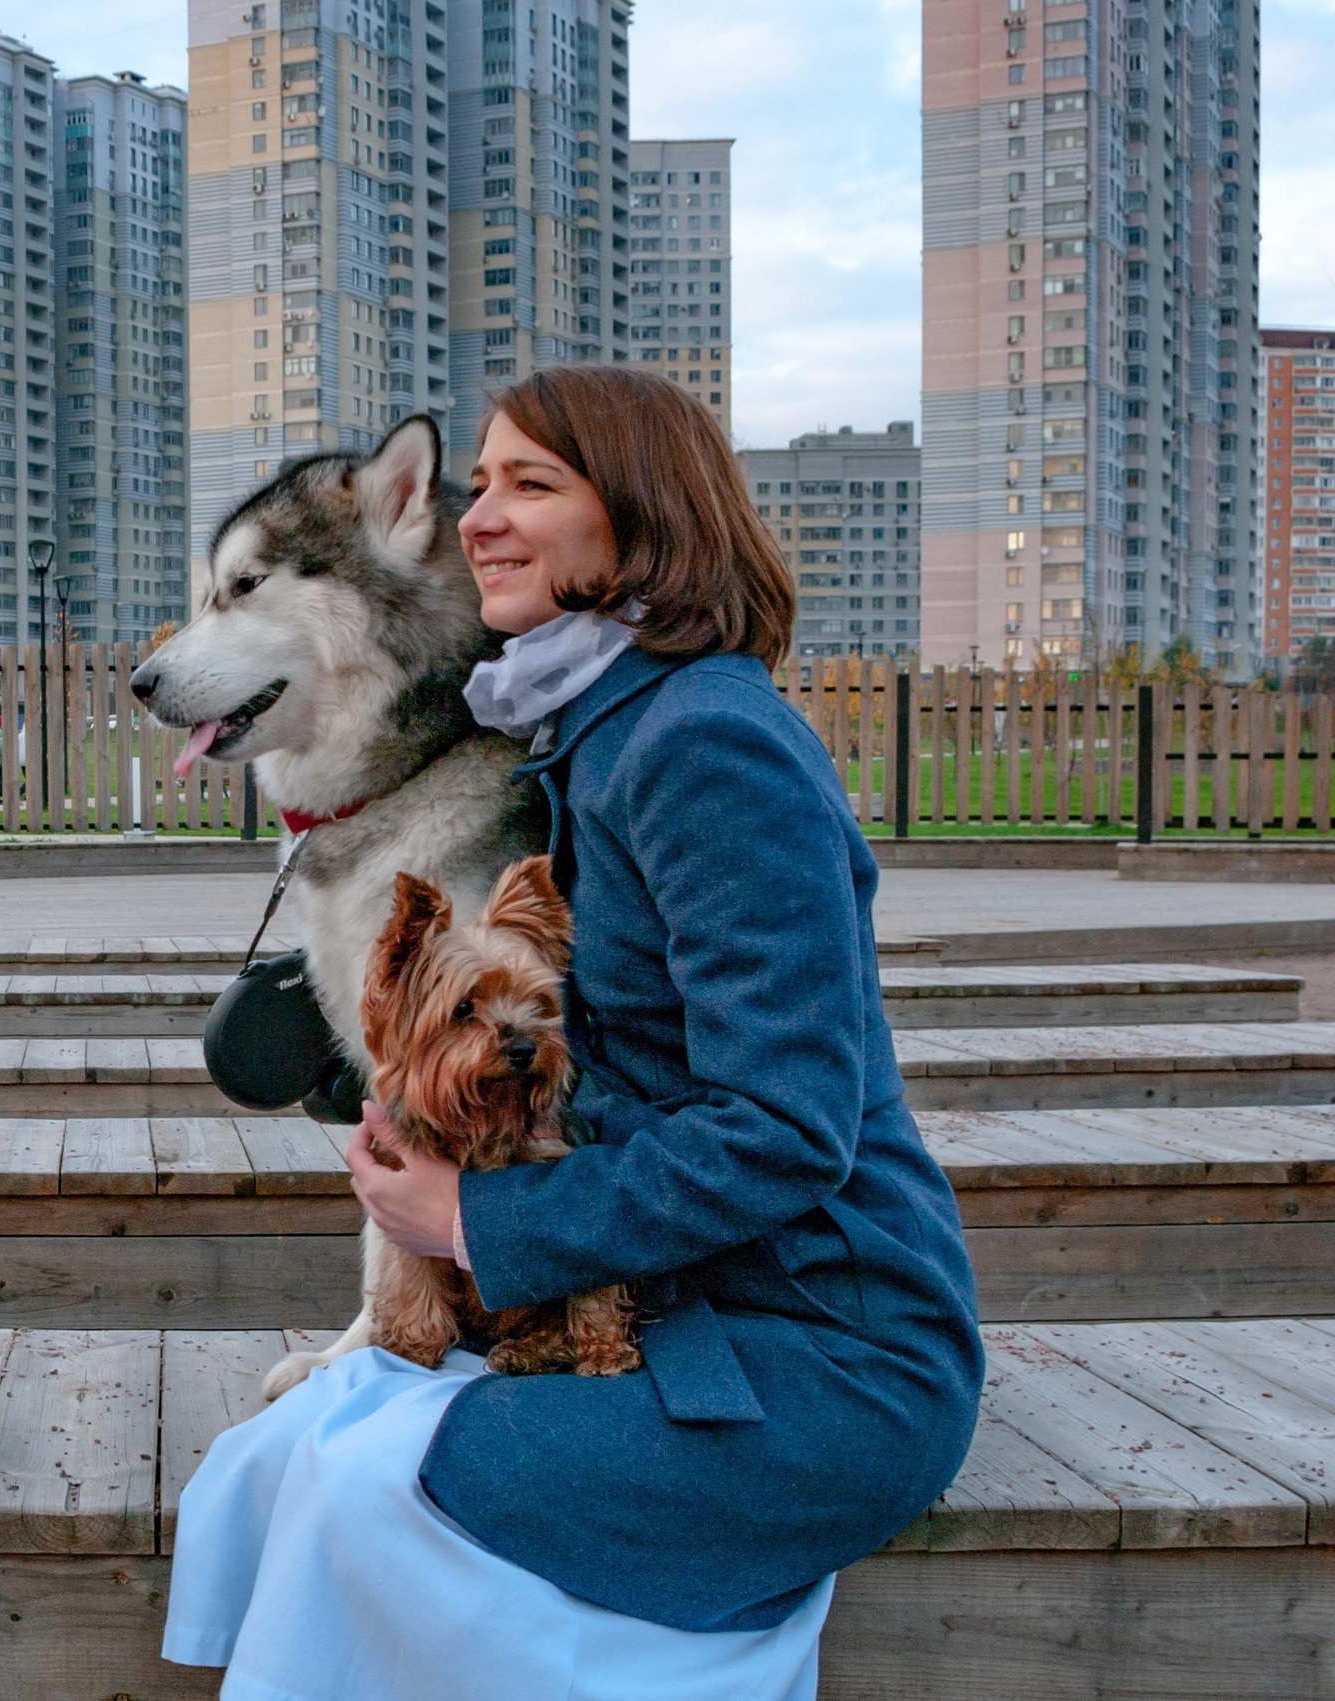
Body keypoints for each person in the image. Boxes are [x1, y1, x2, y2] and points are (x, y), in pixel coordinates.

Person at [163, 368, 984, 1699]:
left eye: (530, 485)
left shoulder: (710, 745)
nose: (477, 516)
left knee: (379, 1479)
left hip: (825, 1352)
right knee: (296, 1448)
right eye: (479, 483)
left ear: (643, 518)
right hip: (680, 1304)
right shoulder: (591, 729)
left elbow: (786, 1126)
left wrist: (472, 1224)